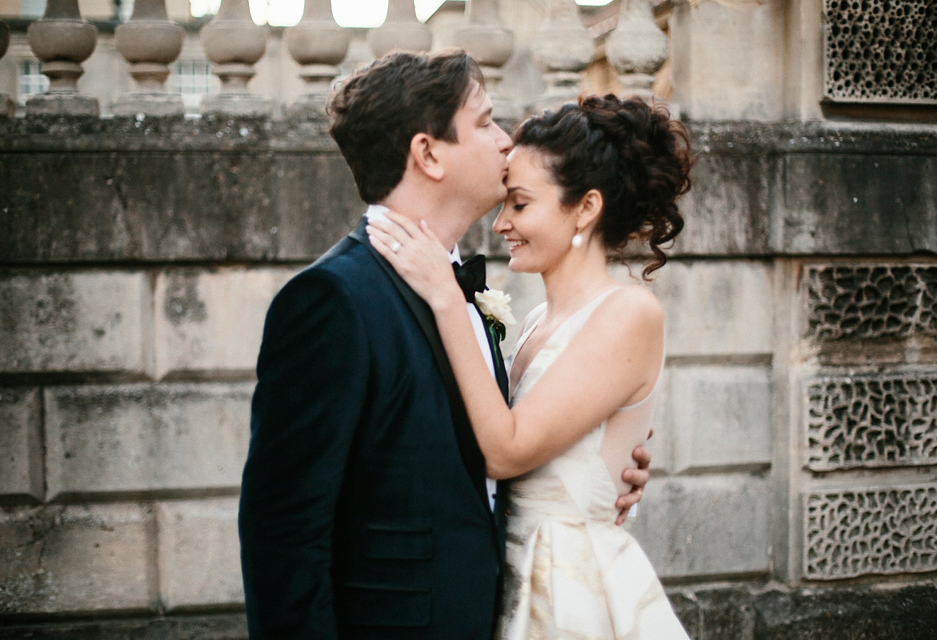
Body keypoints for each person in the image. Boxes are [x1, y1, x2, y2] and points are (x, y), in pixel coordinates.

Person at [238, 51, 652, 640]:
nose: (506, 142)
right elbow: (282, 529)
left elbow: (485, 461)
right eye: (485, 122)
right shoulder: (332, 300)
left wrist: (600, 462)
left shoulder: (468, 295)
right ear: (428, 154)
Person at [366, 94, 693, 639]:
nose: (500, 225)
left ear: (585, 208)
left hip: (570, 593)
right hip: (506, 574)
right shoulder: (539, 318)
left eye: (519, 204)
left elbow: (508, 450)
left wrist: (446, 297)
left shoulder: (629, 311)